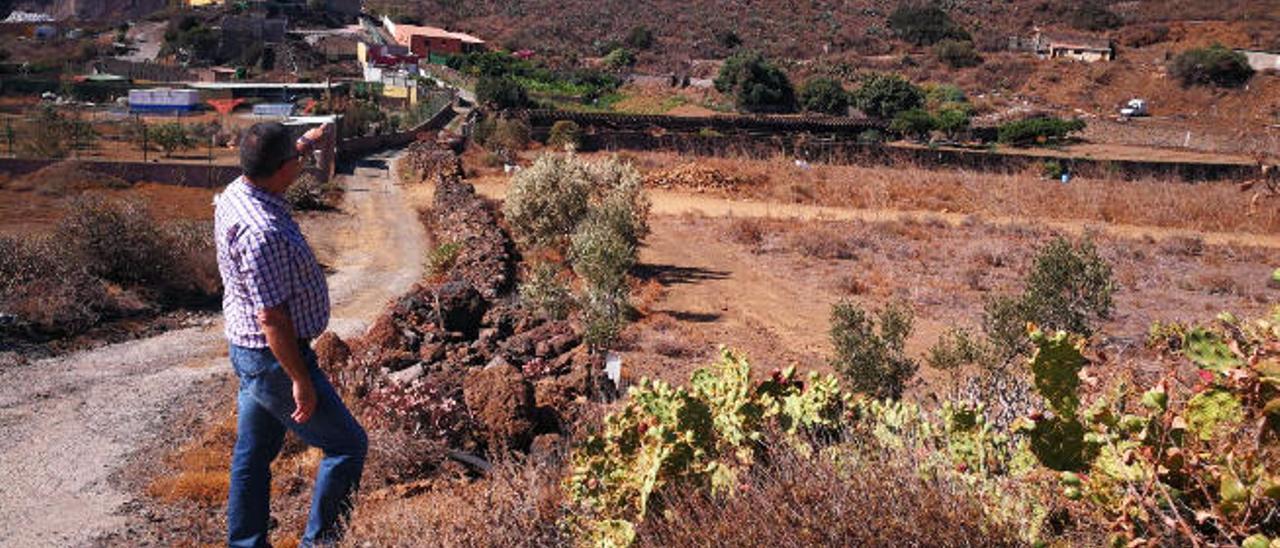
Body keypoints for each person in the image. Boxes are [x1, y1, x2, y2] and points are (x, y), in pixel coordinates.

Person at [215, 122, 367, 548]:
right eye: (296, 159)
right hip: (274, 358)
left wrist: (307, 142)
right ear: (283, 169)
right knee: (348, 446)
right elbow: (274, 320)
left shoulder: (239, 191)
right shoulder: (262, 232)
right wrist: (300, 380)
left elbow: (280, 157)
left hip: (249, 349)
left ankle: (245, 543)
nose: (300, 163)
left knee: (254, 454)